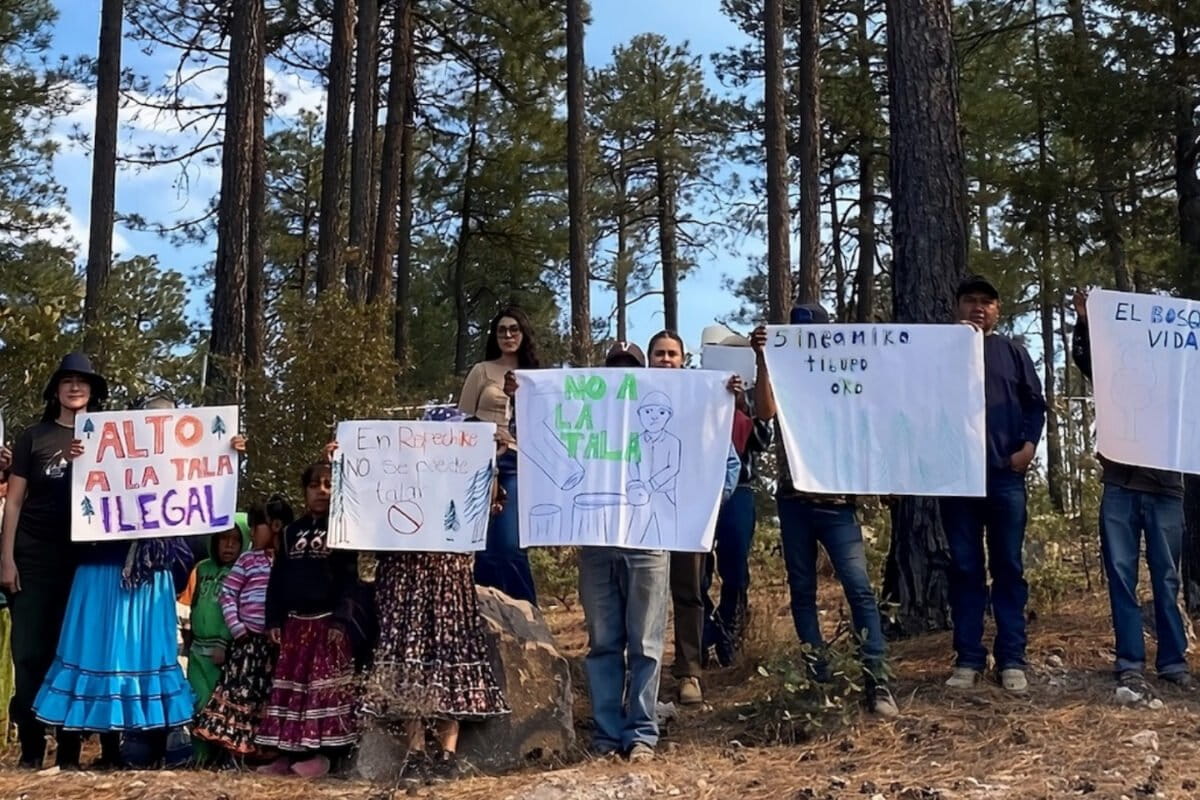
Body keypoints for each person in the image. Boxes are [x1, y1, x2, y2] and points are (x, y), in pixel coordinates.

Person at [30, 391, 208, 768]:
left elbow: (206, 500)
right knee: (93, 652)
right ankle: (69, 753)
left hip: (150, 573)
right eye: (154, 418)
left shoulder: (186, 464)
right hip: (98, 566)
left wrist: (227, 451)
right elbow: (74, 504)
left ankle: (128, 753)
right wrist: (77, 465)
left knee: (141, 657)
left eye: (169, 420)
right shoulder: (106, 452)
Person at [751, 306, 899, 718]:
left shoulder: (843, 376)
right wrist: (763, 359)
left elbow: (872, 416)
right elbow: (764, 412)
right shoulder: (782, 375)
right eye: (798, 333)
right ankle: (819, 679)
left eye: (811, 332)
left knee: (858, 589)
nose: (804, 338)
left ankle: (877, 679)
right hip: (794, 502)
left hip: (838, 505)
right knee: (803, 592)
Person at [359, 406, 509, 779]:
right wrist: (344, 460)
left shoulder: (467, 472)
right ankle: (414, 751)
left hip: (448, 578)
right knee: (409, 661)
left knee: (448, 659)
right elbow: (364, 503)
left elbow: (488, 505)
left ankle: (446, 753)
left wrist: (491, 460)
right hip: (403, 577)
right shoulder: (398, 468)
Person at [1071, 289, 1191, 692]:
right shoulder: (1116, 375)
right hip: (1119, 485)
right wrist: (1086, 322)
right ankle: (1129, 662)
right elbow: (1087, 359)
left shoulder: (1184, 378)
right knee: (1121, 578)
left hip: (1167, 490)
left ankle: (1173, 661)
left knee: (1166, 578)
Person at [941, 275, 1046, 693]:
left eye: (987, 302)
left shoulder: (1013, 353)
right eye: (970, 301)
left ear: (998, 311)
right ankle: (967, 658)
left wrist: (1028, 447)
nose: (978, 308)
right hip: (956, 480)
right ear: (957, 307)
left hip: (1005, 476)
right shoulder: (937, 354)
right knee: (965, 568)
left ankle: (1011, 658)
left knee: (1008, 567)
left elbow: (1035, 405)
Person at [1, 353, 105, 769]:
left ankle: (69, 752)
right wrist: (5, 558)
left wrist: (229, 449)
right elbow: (14, 501)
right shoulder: (33, 437)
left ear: (94, 390)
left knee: (76, 652)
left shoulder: (110, 439)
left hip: (86, 562)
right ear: (55, 389)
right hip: (33, 556)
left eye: (83, 380)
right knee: (29, 654)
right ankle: (30, 748)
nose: (75, 387)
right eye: (67, 380)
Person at [643, 330, 740, 707]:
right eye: (659, 354)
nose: (666, 360)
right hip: (641, 519)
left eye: (672, 354)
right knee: (642, 597)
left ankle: (689, 674)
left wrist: (710, 503)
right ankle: (641, 677)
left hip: (687, 518)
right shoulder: (631, 399)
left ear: (684, 359)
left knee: (689, 594)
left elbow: (729, 462)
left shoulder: (704, 399)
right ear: (650, 359)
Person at [255, 462, 360, 778]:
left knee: (321, 692)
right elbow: (277, 581)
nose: (321, 491)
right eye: (315, 485)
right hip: (294, 626)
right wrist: (273, 620)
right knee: (291, 691)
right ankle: (286, 756)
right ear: (304, 491)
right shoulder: (289, 533)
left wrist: (341, 621)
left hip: (327, 625)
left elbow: (348, 580)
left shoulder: (343, 529)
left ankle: (322, 757)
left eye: (328, 485)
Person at [193, 496, 293, 759]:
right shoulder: (248, 560)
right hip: (247, 643)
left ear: (274, 526)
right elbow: (228, 594)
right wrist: (237, 627)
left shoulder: (288, 561)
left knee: (266, 697)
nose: (250, 532)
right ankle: (232, 753)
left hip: (275, 644)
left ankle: (261, 753)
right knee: (240, 696)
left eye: (254, 526)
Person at [457, 306, 539, 605]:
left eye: (514, 329)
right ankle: (484, 617)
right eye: (502, 330)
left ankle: (527, 617)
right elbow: (462, 420)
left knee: (510, 545)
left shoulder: (538, 376)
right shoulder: (481, 370)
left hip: (519, 464)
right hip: (481, 463)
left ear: (524, 334)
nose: (508, 335)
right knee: (483, 546)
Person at [701, 332, 772, 667]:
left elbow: (762, 439)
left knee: (736, 571)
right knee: (695, 571)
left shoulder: (753, 396)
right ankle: (702, 634)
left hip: (739, 490)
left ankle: (727, 633)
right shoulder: (694, 391)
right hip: (698, 491)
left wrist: (741, 403)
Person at [184, 515, 251, 763]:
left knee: (218, 706)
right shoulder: (202, 568)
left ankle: (220, 757)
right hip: (197, 650)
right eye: (223, 539)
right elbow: (195, 604)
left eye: (236, 540)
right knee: (195, 702)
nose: (229, 545)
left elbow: (238, 608)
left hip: (221, 652)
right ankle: (198, 757)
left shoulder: (241, 571)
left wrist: (224, 641)